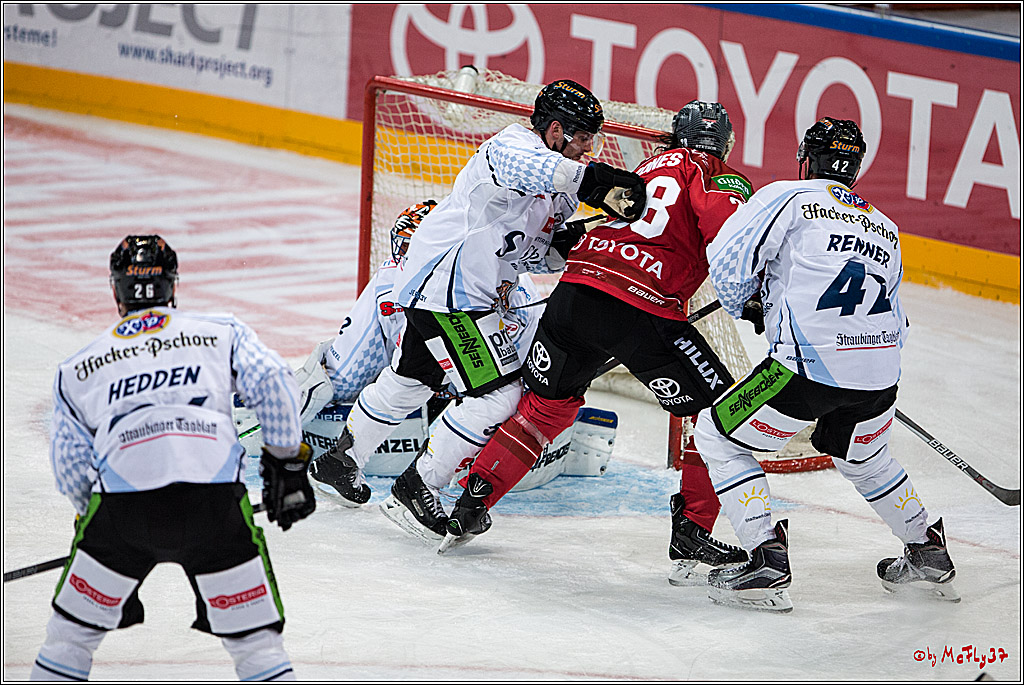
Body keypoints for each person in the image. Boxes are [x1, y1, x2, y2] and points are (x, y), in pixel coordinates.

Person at [307, 79, 647, 534]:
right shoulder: (512, 145)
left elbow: (531, 252)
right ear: (554, 131)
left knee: (412, 379)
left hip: (464, 290)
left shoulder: (563, 186)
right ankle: (419, 486)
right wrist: (600, 181)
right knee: (498, 394)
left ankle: (339, 460)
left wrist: (583, 239)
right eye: (583, 138)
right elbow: (535, 169)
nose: (589, 149)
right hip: (449, 291)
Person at [446, 100, 757, 578]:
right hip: (638, 305)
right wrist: (756, 292)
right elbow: (733, 234)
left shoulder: (647, 165)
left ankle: (472, 503)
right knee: (720, 413)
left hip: (573, 296)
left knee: (547, 407)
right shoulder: (716, 172)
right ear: (726, 145)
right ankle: (693, 533)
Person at [696, 117, 958, 613]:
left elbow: (728, 255)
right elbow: (898, 316)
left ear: (808, 158)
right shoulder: (886, 226)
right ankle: (928, 549)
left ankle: (765, 557)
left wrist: (745, 305)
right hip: (880, 374)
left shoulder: (790, 197)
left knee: (716, 434)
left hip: (805, 369)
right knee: (864, 457)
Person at [30, 235, 315, 681]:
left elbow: (70, 468)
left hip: (122, 512)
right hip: (214, 505)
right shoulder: (220, 332)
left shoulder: (78, 368)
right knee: (256, 645)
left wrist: (94, 523)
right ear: (172, 286)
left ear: (115, 289)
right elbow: (275, 381)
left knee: (70, 638)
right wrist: (286, 463)